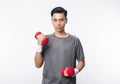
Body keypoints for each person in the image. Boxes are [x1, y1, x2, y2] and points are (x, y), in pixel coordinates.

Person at [34, 6, 85, 84]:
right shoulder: (45, 39)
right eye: (55, 20)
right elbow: (38, 65)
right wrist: (39, 44)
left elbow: (82, 62)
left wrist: (74, 71)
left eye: (61, 20)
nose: (58, 23)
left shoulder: (75, 40)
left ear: (66, 20)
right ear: (52, 21)